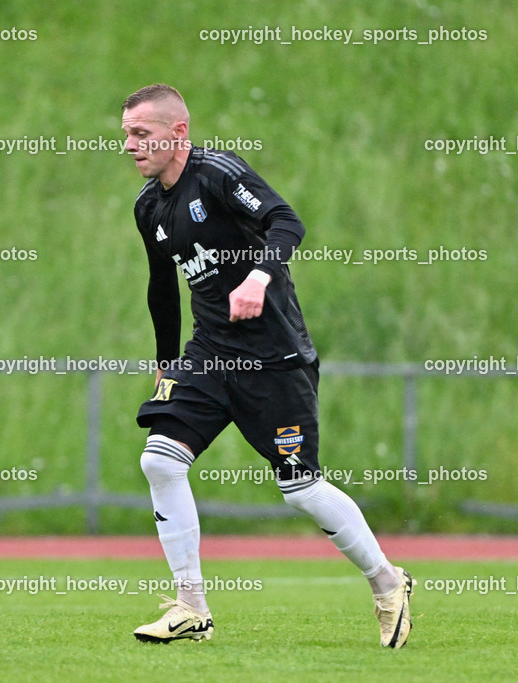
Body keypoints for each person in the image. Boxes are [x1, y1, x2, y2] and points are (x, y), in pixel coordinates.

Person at [119, 84, 413, 648]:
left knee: (301, 489)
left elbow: (286, 221)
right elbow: (161, 285)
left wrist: (258, 277)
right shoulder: (148, 206)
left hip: (274, 357)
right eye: (126, 134)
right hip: (209, 354)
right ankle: (190, 606)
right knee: (159, 460)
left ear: (178, 132)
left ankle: (387, 582)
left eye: (141, 133)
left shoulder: (218, 174)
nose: (130, 145)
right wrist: (166, 362)